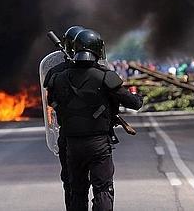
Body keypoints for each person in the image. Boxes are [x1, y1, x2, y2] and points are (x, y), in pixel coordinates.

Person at [48, 28, 143, 211]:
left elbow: (52, 101)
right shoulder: (105, 76)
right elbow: (133, 103)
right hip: (98, 143)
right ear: (98, 50)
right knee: (103, 189)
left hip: (72, 144)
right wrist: (137, 98)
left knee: (77, 191)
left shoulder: (58, 78)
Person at [43, 25, 85, 210]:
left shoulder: (56, 73)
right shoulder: (102, 73)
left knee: (72, 183)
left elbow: (50, 103)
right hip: (96, 137)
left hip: (69, 135)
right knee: (101, 185)